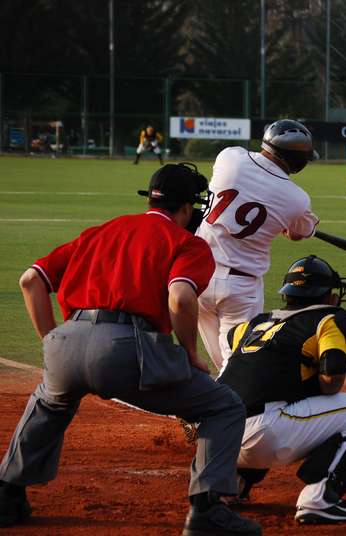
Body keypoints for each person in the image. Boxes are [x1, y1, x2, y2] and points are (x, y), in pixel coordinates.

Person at [0, 163, 260, 536]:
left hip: (68, 340)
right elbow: (182, 298)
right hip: (127, 348)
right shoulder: (188, 243)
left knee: (50, 402)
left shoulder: (101, 231)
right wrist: (189, 351)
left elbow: (30, 281)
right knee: (223, 405)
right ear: (187, 208)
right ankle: (206, 509)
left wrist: (52, 342)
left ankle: (8, 495)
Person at [216, 255, 346, 524]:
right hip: (266, 435)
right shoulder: (327, 319)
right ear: (328, 296)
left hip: (218, 440)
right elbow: (331, 380)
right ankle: (319, 499)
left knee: (258, 402)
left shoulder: (251, 325)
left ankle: (228, 487)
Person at [196, 119, 320, 373]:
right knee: (240, 364)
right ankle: (230, 406)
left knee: (222, 360)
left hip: (195, 276)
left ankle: (213, 404)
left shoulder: (229, 156)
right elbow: (300, 232)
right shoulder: (296, 198)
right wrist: (285, 225)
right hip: (240, 289)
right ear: (294, 159)